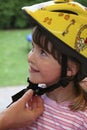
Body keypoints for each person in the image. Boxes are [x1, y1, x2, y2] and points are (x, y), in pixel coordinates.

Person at [10, 0, 87, 129]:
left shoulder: (81, 120)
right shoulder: (30, 99)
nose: (30, 57)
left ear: (69, 69)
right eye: (33, 48)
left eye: (43, 53)